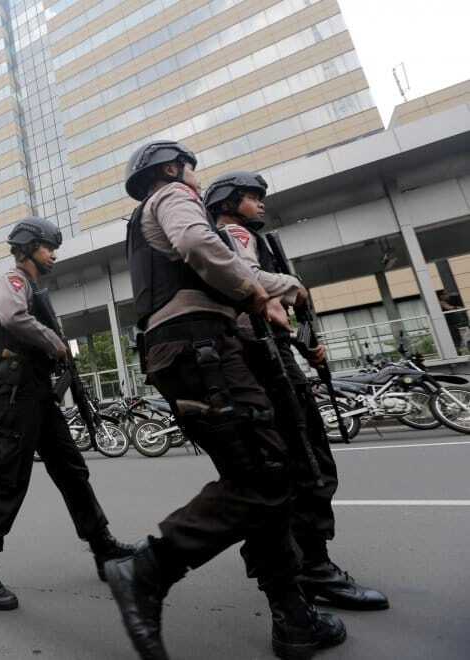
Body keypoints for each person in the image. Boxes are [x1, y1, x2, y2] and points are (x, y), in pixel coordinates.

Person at [104, 141, 345, 659]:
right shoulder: (172, 195)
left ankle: (294, 619)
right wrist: (256, 294)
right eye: (192, 171)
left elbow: (223, 266)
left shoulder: (150, 218)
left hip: (190, 351)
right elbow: (199, 245)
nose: (196, 180)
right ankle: (146, 570)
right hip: (202, 349)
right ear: (171, 169)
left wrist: (285, 288)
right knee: (265, 475)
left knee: (262, 477)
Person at [207, 170, 389, 612]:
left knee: (289, 461)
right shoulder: (233, 235)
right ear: (230, 203)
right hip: (262, 358)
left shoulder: (253, 238)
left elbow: (287, 309)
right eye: (252, 197)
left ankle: (291, 560)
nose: (261, 204)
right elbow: (253, 282)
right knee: (307, 460)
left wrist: (311, 346)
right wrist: (294, 292)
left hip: (269, 356)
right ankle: (314, 568)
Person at [0, 216, 135, 611]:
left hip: (39, 394)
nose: (53, 254)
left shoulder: (36, 288)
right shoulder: (15, 282)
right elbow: (10, 316)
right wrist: (55, 342)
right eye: (46, 247)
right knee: (7, 481)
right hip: (16, 395)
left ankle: (102, 546)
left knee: (73, 472)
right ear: (26, 249)